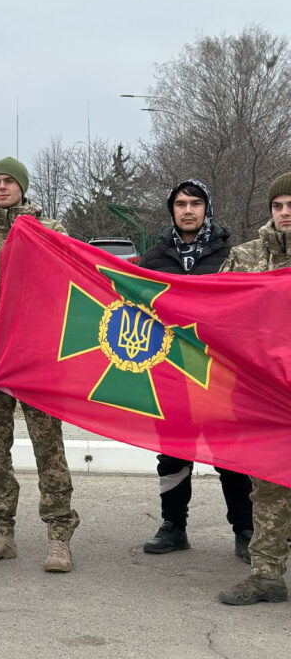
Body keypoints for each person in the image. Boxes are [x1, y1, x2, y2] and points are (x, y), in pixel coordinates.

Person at [0, 157, 80, 573]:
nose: (2, 188)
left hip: (38, 365)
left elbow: (74, 294)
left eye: (10, 181)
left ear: (23, 187)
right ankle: (1, 533)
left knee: (50, 452)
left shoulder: (50, 233)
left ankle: (59, 537)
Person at [139, 180, 253, 560]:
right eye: (180, 204)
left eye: (196, 203)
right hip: (169, 374)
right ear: (171, 210)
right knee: (172, 454)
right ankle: (174, 526)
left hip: (218, 374)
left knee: (230, 456)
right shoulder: (153, 258)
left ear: (207, 208)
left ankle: (245, 530)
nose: (188, 210)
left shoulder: (230, 256)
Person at [217, 172, 291, 606]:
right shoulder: (245, 258)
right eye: (278, 205)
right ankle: (266, 574)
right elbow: (216, 314)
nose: (285, 213)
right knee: (267, 485)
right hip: (262, 393)